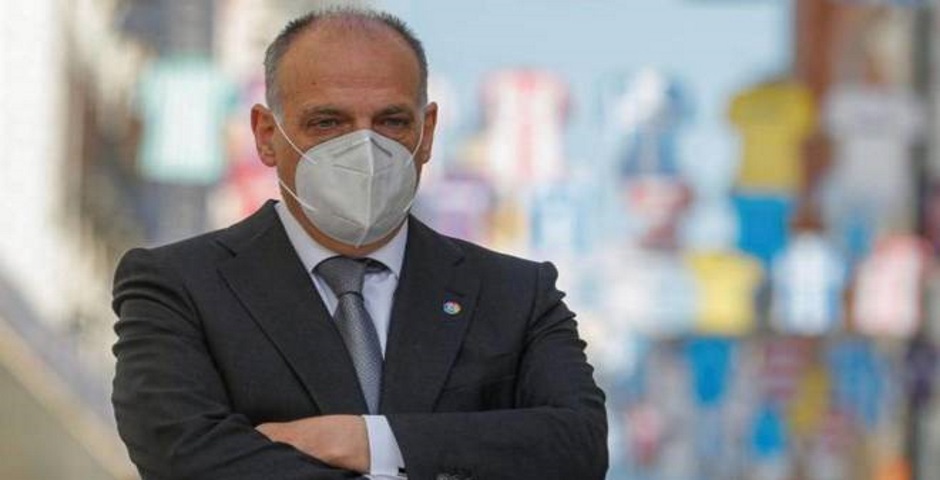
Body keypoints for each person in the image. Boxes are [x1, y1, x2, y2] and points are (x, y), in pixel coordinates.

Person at [111, 7, 607, 480]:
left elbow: (577, 447)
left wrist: (368, 440)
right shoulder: (178, 286)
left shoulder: (516, 294)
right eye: (327, 122)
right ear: (266, 135)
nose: (365, 149)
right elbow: (185, 457)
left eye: (392, 122)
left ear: (427, 133)